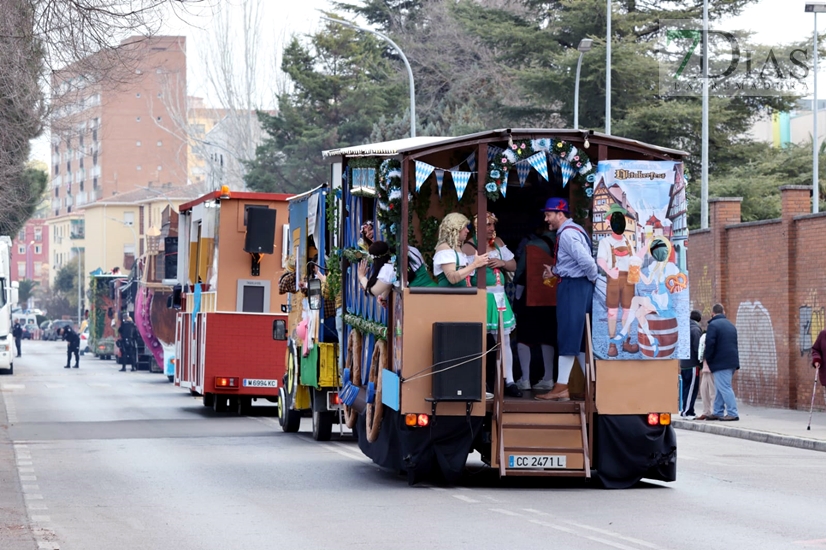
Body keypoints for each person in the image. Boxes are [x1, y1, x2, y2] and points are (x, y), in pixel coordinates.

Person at [536, 197, 598, 402]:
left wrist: (592, 281)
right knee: (579, 340)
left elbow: (588, 264)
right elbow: (575, 264)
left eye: (548, 214)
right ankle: (594, 385)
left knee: (568, 335)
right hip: (578, 286)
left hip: (574, 287)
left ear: (560, 214)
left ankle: (561, 386)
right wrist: (555, 270)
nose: (546, 219)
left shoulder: (568, 235)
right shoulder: (574, 231)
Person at [462, 212, 521, 397]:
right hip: (482, 297)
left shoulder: (498, 242)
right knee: (478, 341)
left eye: (493, 225)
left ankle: (509, 380)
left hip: (499, 297)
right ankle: (480, 382)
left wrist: (502, 262)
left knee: (504, 341)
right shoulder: (469, 247)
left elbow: (513, 265)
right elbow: (463, 273)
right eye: (488, 225)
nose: (492, 229)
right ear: (478, 226)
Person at [513, 222, 557, 392]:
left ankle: (525, 379)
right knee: (548, 337)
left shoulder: (532, 245)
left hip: (532, 294)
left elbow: (520, 272)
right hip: (554, 296)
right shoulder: (564, 243)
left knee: (524, 337)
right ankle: (548, 377)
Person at [596, 204, 645, 357]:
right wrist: (610, 271)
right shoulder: (605, 242)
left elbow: (635, 259)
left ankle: (626, 341)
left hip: (629, 279)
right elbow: (600, 260)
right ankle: (612, 343)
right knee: (612, 312)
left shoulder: (628, 242)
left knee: (627, 312)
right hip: (614, 279)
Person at [703, 303, 740, 421]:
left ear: (712, 314)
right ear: (723, 312)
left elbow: (710, 344)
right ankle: (718, 411)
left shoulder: (713, 325)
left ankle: (733, 413)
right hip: (731, 361)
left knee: (724, 387)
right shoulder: (730, 325)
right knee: (719, 387)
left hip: (720, 362)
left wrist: (707, 358)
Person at [433, 213, 487, 288]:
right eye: (464, 227)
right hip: (449, 297)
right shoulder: (444, 248)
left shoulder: (457, 248)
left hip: (461, 296)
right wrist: (475, 264)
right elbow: (452, 278)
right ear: (455, 228)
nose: (467, 231)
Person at [679, 310, 703, 419]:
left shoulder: (684, 328)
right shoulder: (695, 329)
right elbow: (697, 348)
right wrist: (700, 362)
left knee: (686, 388)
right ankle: (687, 412)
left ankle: (687, 409)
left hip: (684, 363)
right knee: (691, 389)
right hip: (692, 364)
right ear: (699, 319)